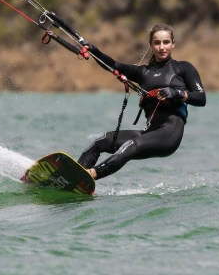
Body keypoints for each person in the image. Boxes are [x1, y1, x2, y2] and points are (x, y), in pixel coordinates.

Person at [78, 24, 206, 180]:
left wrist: (178, 93)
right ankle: (73, 176)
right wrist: (94, 51)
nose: (162, 47)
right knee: (98, 141)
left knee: (129, 146)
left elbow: (201, 98)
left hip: (169, 133)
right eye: (157, 43)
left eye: (166, 42)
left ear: (173, 43)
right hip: (149, 132)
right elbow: (113, 65)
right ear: (151, 45)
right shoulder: (143, 73)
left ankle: (89, 176)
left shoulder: (183, 68)